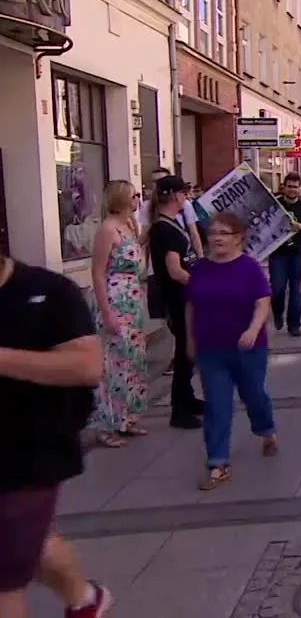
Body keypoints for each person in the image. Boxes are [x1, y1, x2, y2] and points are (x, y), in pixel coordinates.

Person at [0, 246, 115, 618]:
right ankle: (85, 599)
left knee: (4, 581)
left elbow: (86, 365)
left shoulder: (50, 292)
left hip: (28, 456)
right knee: (38, 545)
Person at [185, 213, 279, 490]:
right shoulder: (200, 269)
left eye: (224, 233)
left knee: (255, 394)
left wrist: (252, 329)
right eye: (212, 232)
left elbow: (263, 302)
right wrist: (190, 340)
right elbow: (190, 306)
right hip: (211, 348)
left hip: (247, 349)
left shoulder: (249, 268)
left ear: (239, 238)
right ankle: (217, 462)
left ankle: (266, 429)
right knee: (217, 405)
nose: (216, 238)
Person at [89, 180, 148, 448]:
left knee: (132, 361)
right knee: (113, 363)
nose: (138, 200)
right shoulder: (107, 229)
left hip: (132, 300)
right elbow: (98, 273)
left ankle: (127, 418)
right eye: (134, 195)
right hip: (115, 299)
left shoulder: (130, 227)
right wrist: (106, 311)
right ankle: (106, 424)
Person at [148, 175, 204, 429]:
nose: (187, 198)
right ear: (175, 196)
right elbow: (174, 270)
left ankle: (187, 398)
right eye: (184, 193)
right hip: (177, 296)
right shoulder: (164, 228)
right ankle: (178, 409)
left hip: (182, 295)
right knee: (185, 350)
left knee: (188, 348)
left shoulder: (170, 223)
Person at [268, 172, 301, 337]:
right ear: (284, 187)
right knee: (277, 289)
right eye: (290, 186)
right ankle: (277, 313)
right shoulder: (274, 205)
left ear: (300, 188)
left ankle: (294, 325)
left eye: (296, 187)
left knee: (297, 290)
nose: (292, 190)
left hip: (299, 254)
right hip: (278, 254)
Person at [138, 166, 204, 258]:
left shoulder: (185, 204)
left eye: (161, 180)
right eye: (154, 181)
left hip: (184, 255)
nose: (157, 184)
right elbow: (145, 236)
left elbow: (194, 234)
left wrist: (200, 258)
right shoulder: (147, 206)